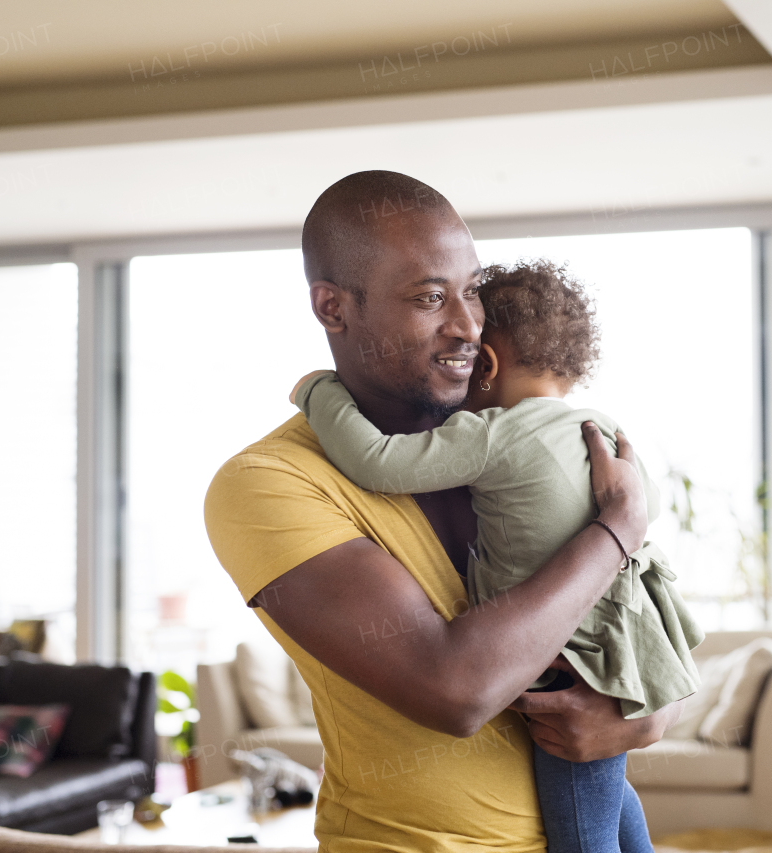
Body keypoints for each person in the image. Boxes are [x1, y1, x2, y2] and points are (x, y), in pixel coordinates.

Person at [204, 171, 684, 853]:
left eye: (471, 293)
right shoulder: (267, 483)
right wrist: (616, 528)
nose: (466, 326)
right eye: (430, 297)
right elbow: (456, 688)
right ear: (333, 307)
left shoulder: (507, 434)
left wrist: (647, 716)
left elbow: (644, 615)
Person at [288, 259, 703, 853]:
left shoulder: (494, 434)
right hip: (619, 649)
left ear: (486, 363)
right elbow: (644, 505)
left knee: (582, 834)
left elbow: (377, 463)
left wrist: (317, 392)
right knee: (608, 803)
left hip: (562, 664)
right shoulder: (600, 425)